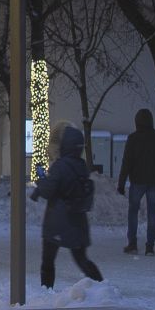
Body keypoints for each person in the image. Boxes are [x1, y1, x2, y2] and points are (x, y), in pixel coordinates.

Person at [31, 123, 104, 290]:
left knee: (48, 260)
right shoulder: (81, 165)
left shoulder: (60, 166)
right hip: (78, 220)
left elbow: (48, 190)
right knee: (81, 258)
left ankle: (46, 289)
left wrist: (41, 179)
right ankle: (101, 285)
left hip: (58, 221)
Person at [116, 107, 155, 255]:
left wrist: (121, 183)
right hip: (154, 181)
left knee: (133, 212)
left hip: (137, 181)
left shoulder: (133, 138)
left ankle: (132, 244)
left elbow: (126, 162)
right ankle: (150, 246)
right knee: (152, 213)